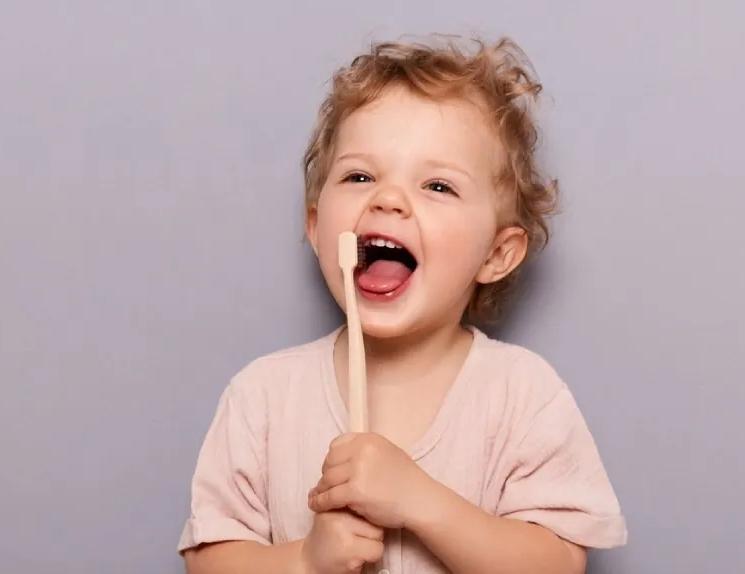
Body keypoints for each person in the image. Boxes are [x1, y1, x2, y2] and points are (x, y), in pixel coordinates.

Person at [179, 34, 627, 574]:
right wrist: (306, 560)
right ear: (319, 229)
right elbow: (210, 560)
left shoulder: (523, 396)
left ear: (497, 253)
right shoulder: (263, 398)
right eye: (360, 176)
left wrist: (421, 501)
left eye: (438, 186)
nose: (388, 198)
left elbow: (558, 564)